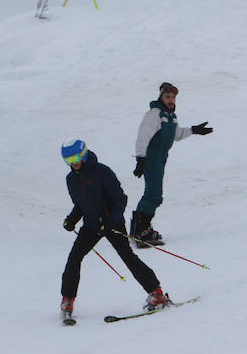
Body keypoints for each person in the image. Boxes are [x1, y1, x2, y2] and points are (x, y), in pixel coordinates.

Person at [59, 140, 170, 320]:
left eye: (77, 157)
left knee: (128, 257)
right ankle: (67, 299)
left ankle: (156, 293)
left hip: (112, 223)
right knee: (74, 258)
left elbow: (121, 199)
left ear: (84, 154)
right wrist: (72, 219)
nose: (74, 162)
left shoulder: (102, 172)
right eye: (69, 160)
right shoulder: (71, 179)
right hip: (92, 226)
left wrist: (111, 220)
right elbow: (80, 204)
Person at [131, 82, 214, 248]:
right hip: (151, 157)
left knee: (154, 193)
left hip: (161, 158)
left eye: (173, 97)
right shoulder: (154, 114)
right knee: (154, 193)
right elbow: (143, 136)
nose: (171, 100)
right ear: (161, 97)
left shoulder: (171, 117)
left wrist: (194, 130)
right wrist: (141, 159)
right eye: (167, 97)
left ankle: (140, 228)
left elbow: (177, 134)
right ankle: (141, 229)